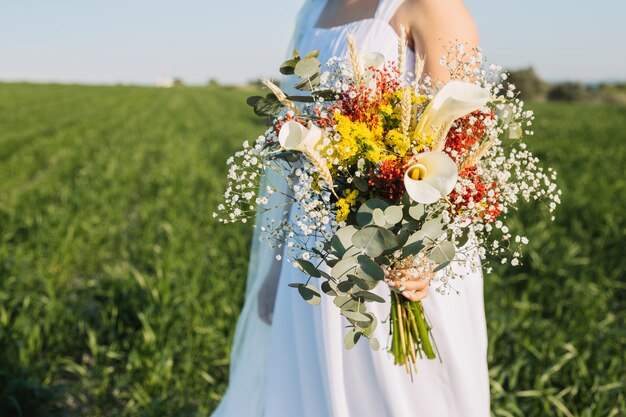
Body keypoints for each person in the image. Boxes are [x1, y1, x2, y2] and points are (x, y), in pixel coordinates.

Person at [212, 1, 489, 416]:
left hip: (404, 254)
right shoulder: (315, 9)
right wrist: (276, 268)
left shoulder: (431, 6)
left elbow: (461, 149)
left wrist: (422, 254)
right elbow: (298, 151)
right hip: (313, 250)